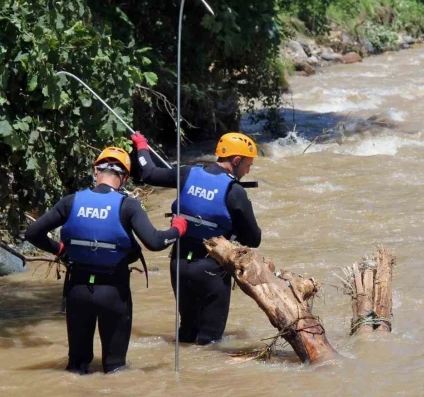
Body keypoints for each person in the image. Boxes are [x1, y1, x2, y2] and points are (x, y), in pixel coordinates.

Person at [24, 147, 186, 374]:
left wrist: (61, 250)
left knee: (76, 367)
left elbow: (32, 233)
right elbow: (156, 242)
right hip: (113, 292)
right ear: (126, 177)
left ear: (95, 170)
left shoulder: (71, 201)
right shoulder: (128, 205)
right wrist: (177, 230)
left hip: (77, 289)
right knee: (115, 368)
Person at [129, 131, 262, 345]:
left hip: (179, 265)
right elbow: (254, 239)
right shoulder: (235, 192)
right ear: (236, 160)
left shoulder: (188, 173)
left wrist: (142, 146)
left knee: (187, 333)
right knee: (210, 344)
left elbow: (149, 174)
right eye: (248, 164)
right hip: (210, 270)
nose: (249, 170)